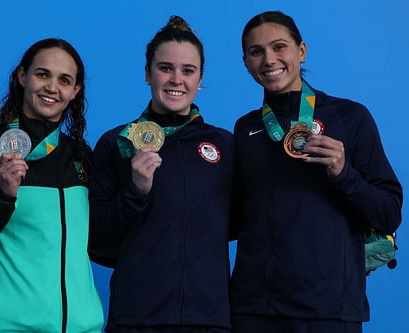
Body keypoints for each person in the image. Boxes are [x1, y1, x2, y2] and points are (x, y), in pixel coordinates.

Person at [229, 11, 403, 333]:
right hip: (255, 308)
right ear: (246, 62)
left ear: (301, 50)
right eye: (256, 52)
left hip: (329, 310)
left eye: (279, 46)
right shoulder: (245, 129)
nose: (269, 59)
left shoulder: (350, 117)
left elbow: (389, 213)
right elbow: (232, 217)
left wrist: (343, 171)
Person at [0, 38, 104, 333]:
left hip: (85, 327)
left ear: (75, 91)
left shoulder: (81, 156)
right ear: (22, 76)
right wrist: (3, 197)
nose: (52, 87)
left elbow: (101, 243)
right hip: (11, 327)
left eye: (64, 80)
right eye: (42, 74)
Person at [89, 16, 235, 333]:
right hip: (137, 319)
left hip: (209, 320)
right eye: (165, 68)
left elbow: (243, 222)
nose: (176, 80)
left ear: (200, 78)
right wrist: (136, 192)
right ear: (147, 73)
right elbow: (96, 237)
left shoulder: (225, 146)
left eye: (188, 70)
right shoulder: (117, 143)